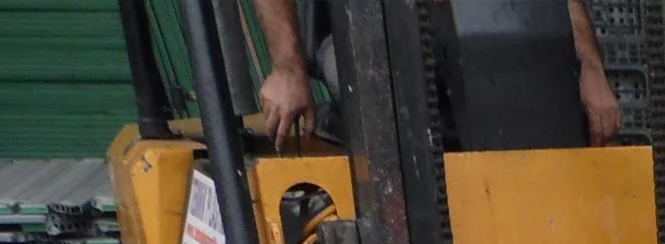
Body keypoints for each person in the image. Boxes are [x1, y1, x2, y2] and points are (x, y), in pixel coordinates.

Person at [253, 0, 620, 148]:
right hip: (368, 35)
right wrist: (288, 69)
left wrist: (589, 69)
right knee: (374, 84)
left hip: (479, 45)